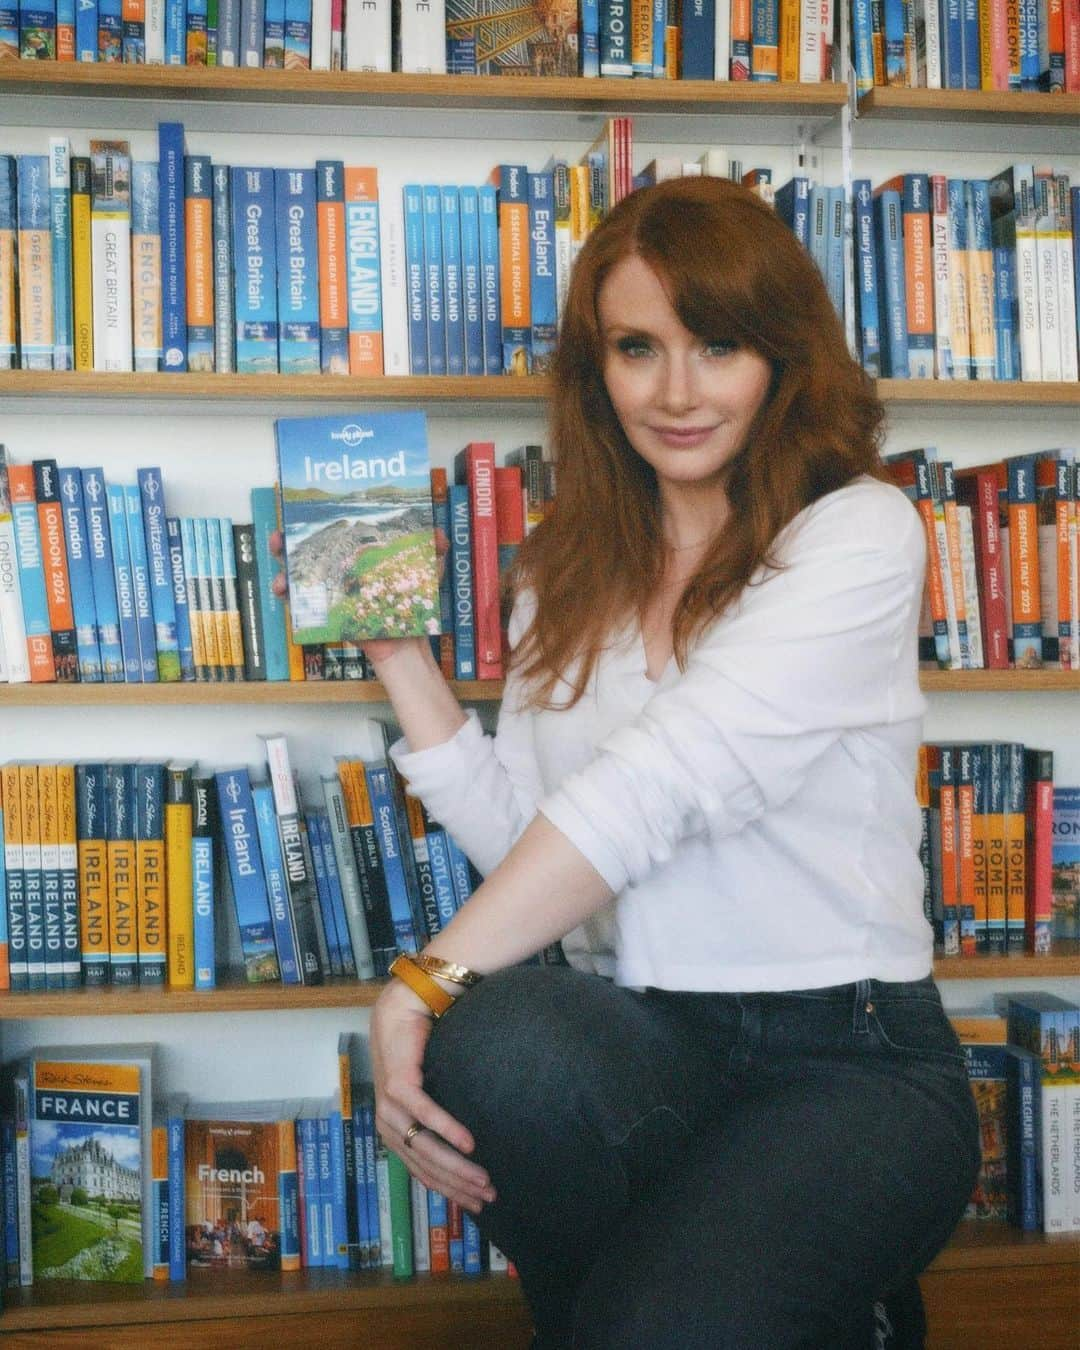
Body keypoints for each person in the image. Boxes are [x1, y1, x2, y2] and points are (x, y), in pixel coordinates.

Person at [279, 175, 980, 1348]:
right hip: (643, 1043)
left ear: (783, 357)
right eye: (637, 347)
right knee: (504, 1037)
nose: (677, 391)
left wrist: (420, 976)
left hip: (844, 1056)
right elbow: (538, 850)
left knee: (647, 1322)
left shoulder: (859, 530)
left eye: (718, 345)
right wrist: (399, 657)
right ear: (594, 369)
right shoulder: (568, 568)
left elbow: (665, 781)